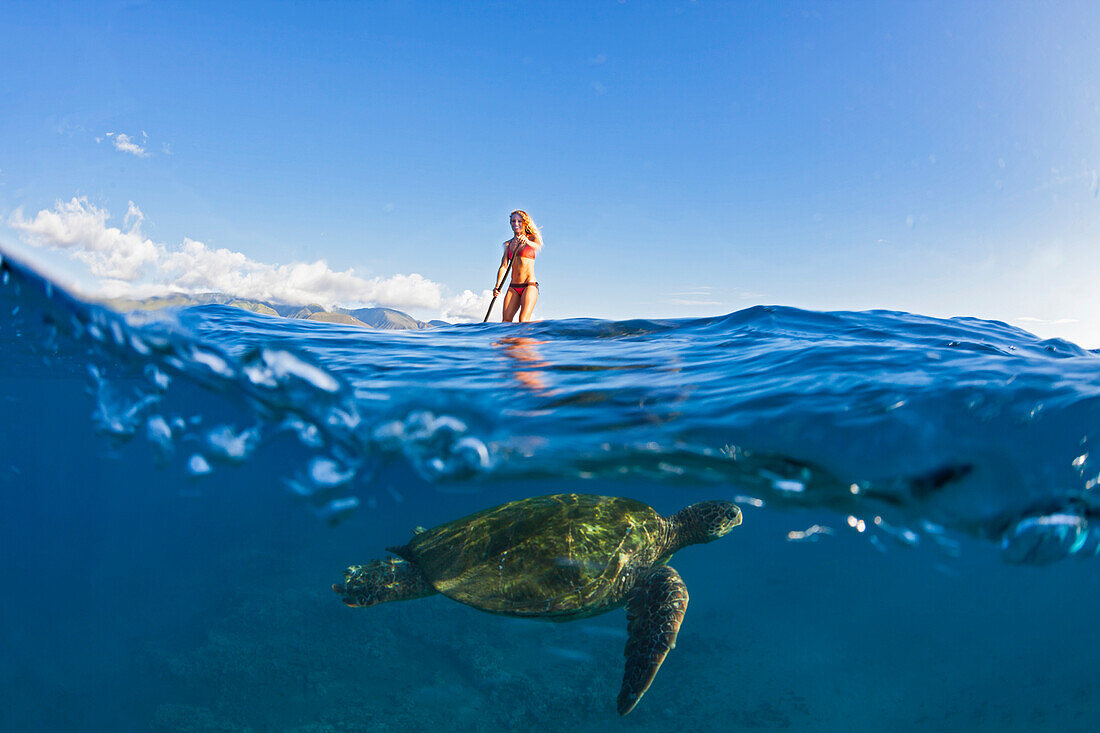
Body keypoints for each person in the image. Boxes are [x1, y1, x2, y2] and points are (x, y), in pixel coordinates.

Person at [493, 210, 542, 322]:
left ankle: (526, 338)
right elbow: (504, 266)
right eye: (513, 221)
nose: (516, 224)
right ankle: (510, 340)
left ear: (524, 223)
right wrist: (497, 286)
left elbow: (537, 246)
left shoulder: (532, 239)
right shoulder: (507, 244)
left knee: (523, 320)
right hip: (513, 287)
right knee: (505, 321)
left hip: (529, 286)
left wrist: (527, 242)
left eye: (519, 221)